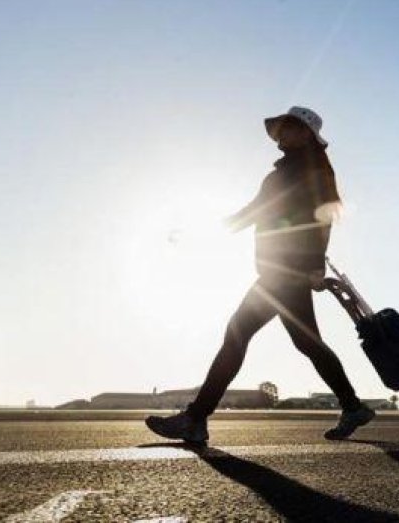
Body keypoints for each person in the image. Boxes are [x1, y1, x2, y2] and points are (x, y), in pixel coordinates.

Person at [146, 106, 374, 444]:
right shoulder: (286, 172)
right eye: (279, 128)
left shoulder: (309, 170)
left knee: (237, 335)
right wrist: (202, 234)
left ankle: (195, 418)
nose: (280, 133)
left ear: (305, 133)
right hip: (278, 270)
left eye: (287, 128)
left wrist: (314, 265)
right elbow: (253, 213)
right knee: (306, 343)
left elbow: (323, 219)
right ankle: (352, 406)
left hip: (287, 272)